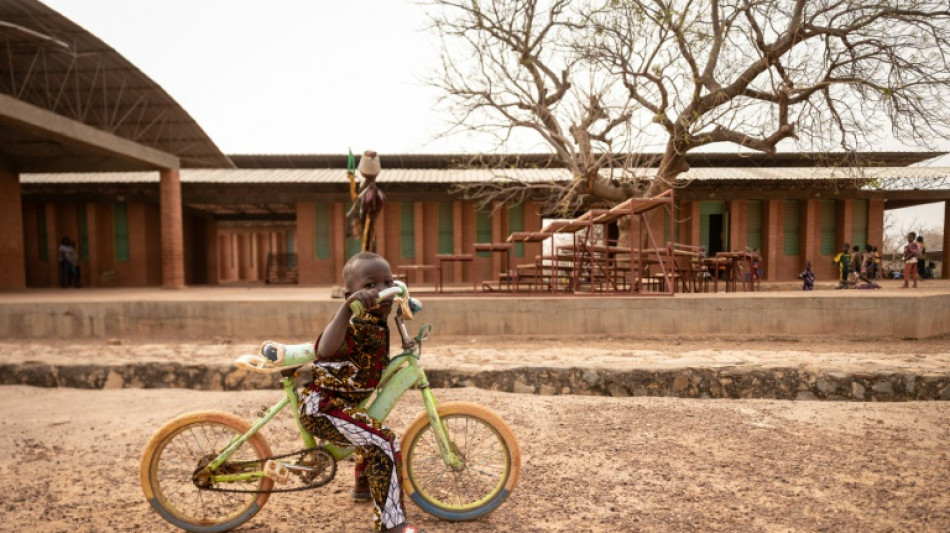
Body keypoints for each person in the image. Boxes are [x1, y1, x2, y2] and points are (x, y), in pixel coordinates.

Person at [298, 252, 424, 533]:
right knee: (383, 441)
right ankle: (392, 524)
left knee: (367, 422)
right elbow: (324, 350)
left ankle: (364, 485)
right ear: (350, 294)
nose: (381, 291)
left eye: (387, 282)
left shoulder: (378, 319)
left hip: (343, 401)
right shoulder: (350, 323)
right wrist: (345, 309)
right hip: (323, 407)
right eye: (370, 285)